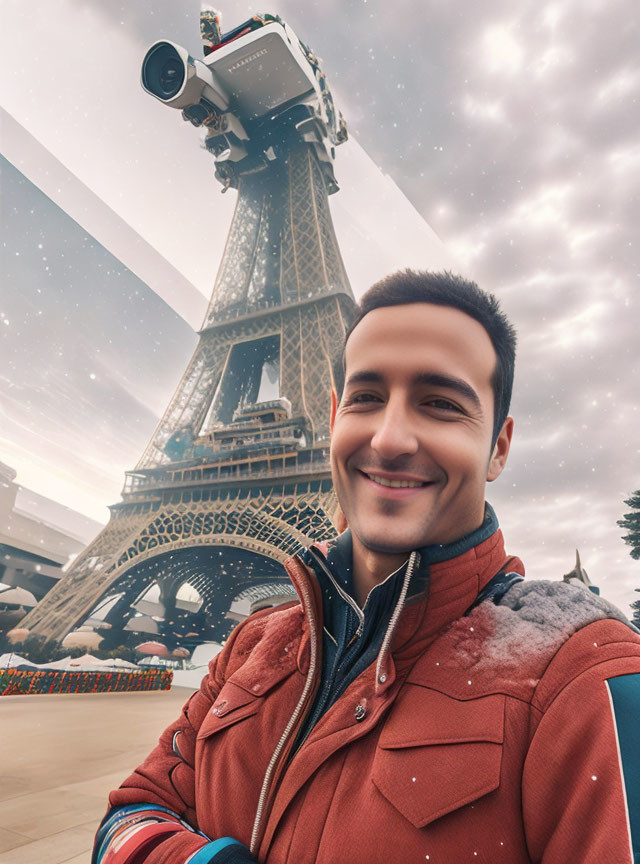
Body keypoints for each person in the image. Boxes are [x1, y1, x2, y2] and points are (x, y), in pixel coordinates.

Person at [93, 271, 640, 864]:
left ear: (499, 448)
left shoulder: (584, 682)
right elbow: (131, 813)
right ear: (334, 417)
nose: (390, 437)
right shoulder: (252, 644)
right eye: (367, 397)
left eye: (440, 404)